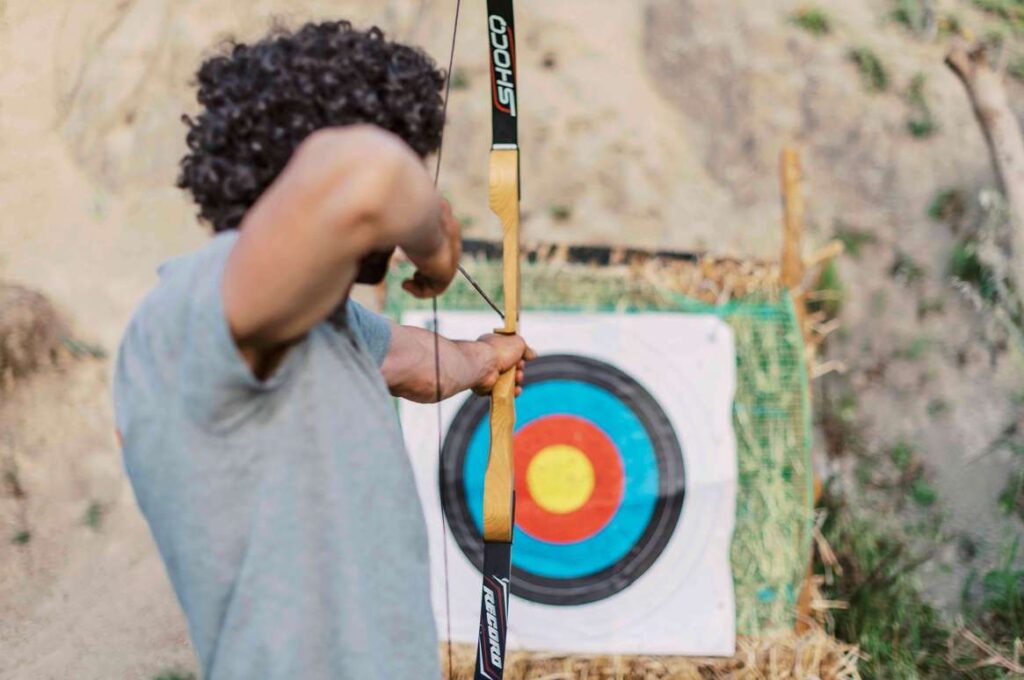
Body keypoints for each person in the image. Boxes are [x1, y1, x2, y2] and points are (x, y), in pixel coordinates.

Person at [113, 20, 532, 680]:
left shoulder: (320, 325)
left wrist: (485, 360)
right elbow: (370, 176)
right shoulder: (196, 310)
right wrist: (439, 243)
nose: (403, 208)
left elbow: (407, 360)